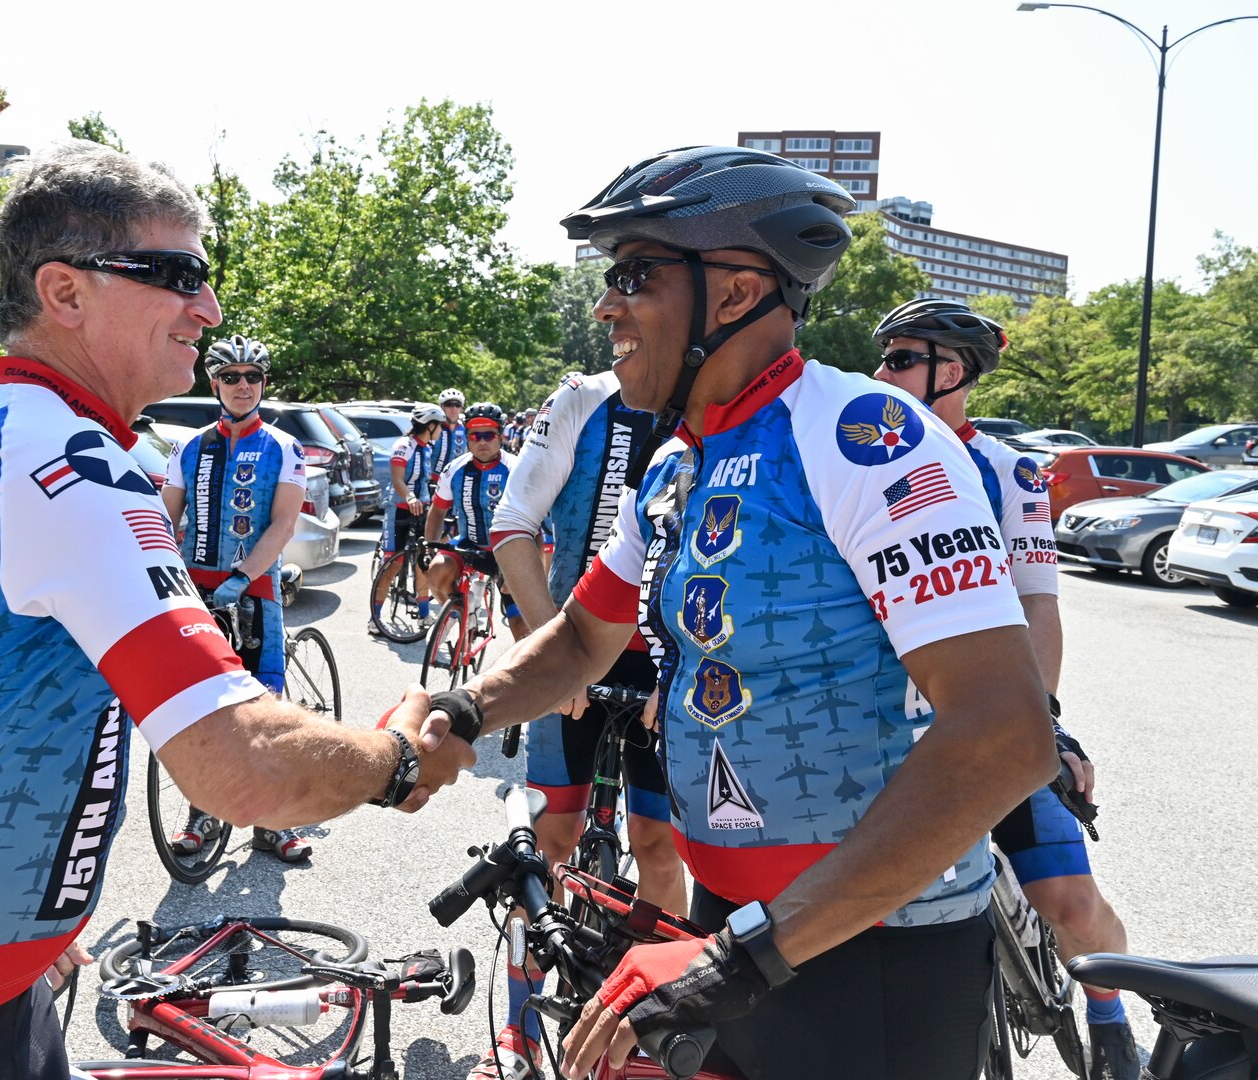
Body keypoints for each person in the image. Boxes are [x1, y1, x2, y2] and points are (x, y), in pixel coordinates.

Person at [0, 140, 473, 1080]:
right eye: (177, 274)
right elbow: (238, 770)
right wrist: (396, 760)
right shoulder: (70, 463)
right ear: (64, 294)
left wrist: (30, 917)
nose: (210, 309)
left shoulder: (9, 427)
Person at [414, 146, 1055, 1080]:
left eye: (633, 275)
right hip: (733, 920)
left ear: (734, 292)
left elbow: (1002, 734)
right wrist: (459, 714)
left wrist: (745, 959)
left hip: (866, 943)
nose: (605, 307)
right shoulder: (677, 466)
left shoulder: (864, 439)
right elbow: (583, 638)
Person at [871, 298, 1140, 1080]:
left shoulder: (1006, 470)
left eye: (896, 360)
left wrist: (1040, 724)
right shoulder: (857, 456)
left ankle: (1112, 1019)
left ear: (948, 372)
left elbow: (1035, 604)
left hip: (985, 722)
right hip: (886, 726)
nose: (877, 373)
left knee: (1070, 907)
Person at [480, 368, 686, 1080]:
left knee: (659, 847)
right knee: (548, 846)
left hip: (669, 671)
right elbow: (511, 524)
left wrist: (686, 671)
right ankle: (514, 1028)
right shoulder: (583, 399)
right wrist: (553, 653)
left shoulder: (722, 404)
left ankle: (657, 1024)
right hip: (571, 648)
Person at [162, 334, 315, 863]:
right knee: (200, 709)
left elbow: (283, 524)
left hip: (255, 589)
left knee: (263, 709)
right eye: (232, 377)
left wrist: (244, 575)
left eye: (253, 376)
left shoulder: (283, 446)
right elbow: (166, 520)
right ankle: (203, 811)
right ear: (215, 384)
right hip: (192, 591)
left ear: (263, 383)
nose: (243, 385)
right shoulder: (189, 446)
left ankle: (274, 821)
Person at [421, 402, 527, 642]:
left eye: (489, 435)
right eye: (475, 435)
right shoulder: (454, 469)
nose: (482, 441)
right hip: (470, 543)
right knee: (436, 572)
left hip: (509, 553)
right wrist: (430, 547)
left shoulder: (517, 468)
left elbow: (535, 521)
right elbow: (438, 512)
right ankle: (459, 617)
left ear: (500, 436)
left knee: (521, 629)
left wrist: (525, 568)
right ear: (467, 438)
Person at [370, 402, 446, 635]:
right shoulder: (404, 445)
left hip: (421, 509)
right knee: (393, 564)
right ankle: (374, 617)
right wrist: (411, 497)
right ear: (430, 425)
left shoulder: (427, 448)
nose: (442, 430)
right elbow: (397, 480)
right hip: (400, 509)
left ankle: (423, 614)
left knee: (423, 561)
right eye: (440, 426)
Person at [430, 387, 468, 481]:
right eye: (449, 405)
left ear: (461, 408)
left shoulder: (465, 429)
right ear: (442, 407)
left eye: (457, 405)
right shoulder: (433, 427)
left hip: (455, 480)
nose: (454, 409)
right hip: (432, 480)